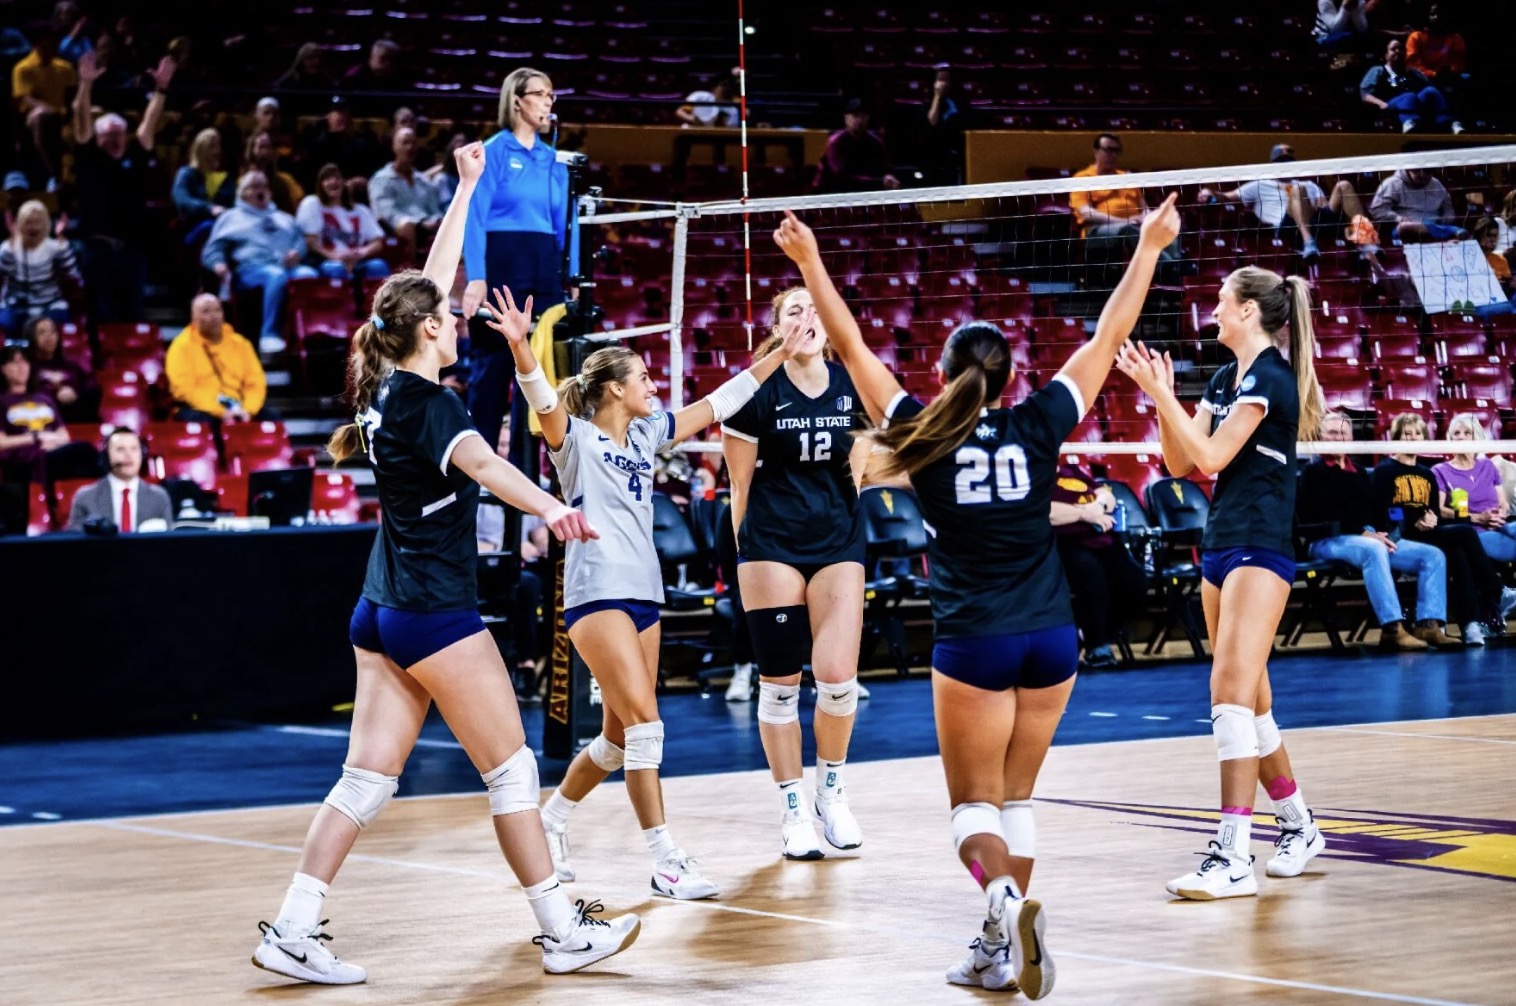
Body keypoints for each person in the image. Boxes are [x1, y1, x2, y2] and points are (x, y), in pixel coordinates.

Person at [249, 141, 638, 986]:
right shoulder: (433, 402)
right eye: (448, 317)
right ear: (428, 330)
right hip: (431, 609)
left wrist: (464, 192)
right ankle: (561, 930)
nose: (457, 320)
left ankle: (292, 927)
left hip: (380, 608)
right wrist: (556, 508)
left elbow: (424, 278)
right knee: (511, 769)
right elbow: (491, 469)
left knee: (363, 782)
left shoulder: (382, 381)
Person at [775, 196, 1181, 998]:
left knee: (972, 809)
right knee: (1017, 798)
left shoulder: (923, 432)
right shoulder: (1037, 423)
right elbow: (1106, 337)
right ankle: (998, 948)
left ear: (943, 374)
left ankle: (1004, 901)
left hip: (976, 641)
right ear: (1010, 377)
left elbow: (850, 344)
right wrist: (1150, 246)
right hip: (1053, 638)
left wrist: (809, 262)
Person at [490, 279, 809, 902]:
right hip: (595, 593)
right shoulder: (576, 440)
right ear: (614, 388)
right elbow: (542, 399)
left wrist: (778, 351)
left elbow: (719, 403)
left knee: (616, 739)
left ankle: (550, 821)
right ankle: (665, 861)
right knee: (647, 728)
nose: (654, 386)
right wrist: (523, 348)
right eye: (643, 379)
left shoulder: (644, 436)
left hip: (643, 593)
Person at [1115, 265, 1328, 902]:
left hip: (1262, 545)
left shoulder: (1271, 377)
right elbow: (1181, 463)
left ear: (1247, 313)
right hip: (1221, 543)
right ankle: (1297, 824)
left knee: (1228, 693)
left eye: (1219, 302)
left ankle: (1233, 853)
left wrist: (1164, 394)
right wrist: (1161, 396)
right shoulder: (1221, 378)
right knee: (1251, 700)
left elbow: (1210, 457)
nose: (1212, 311)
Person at [720, 286, 872, 860]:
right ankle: (791, 810)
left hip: (836, 540)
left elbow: (857, 474)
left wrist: (843, 531)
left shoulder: (853, 385)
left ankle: (831, 794)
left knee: (837, 678)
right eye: (793, 312)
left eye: (815, 310)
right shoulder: (755, 390)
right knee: (781, 685)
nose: (807, 319)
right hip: (770, 544)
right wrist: (746, 554)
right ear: (777, 326)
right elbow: (739, 484)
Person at [459, 67, 568, 468]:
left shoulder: (553, 158)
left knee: (538, 376)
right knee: (491, 377)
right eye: (540, 94)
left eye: (551, 95)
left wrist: (564, 277)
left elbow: (561, 224)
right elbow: (474, 218)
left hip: (543, 270)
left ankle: (529, 476)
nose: (548, 103)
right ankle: (475, 472)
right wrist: (476, 277)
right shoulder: (493, 152)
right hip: (502, 265)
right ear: (517, 100)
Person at [1297, 412, 1458, 649]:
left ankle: (1428, 625)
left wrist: (1384, 532)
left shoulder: (1360, 473)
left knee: (1432, 555)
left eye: (1343, 433)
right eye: (1332, 432)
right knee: (1374, 549)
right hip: (1327, 539)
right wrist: (1365, 534)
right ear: (1320, 435)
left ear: (1351, 438)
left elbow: (1376, 512)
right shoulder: (1313, 471)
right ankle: (1392, 628)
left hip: (1367, 537)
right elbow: (1321, 514)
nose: (1338, 438)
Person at [1375, 413, 1514, 645]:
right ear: (1396, 437)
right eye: (1406, 434)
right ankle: (1498, 591)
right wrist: (1412, 520)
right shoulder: (1386, 470)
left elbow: (1434, 512)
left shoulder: (1426, 473)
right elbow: (1387, 509)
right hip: (1401, 532)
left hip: (1427, 532)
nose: (1412, 439)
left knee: (1458, 551)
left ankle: (1465, 625)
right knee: (1466, 533)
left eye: (1417, 434)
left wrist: (1430, 518)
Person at [71, 49, 174, 326]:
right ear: (99, 137)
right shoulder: (90, 158)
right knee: (102, 312)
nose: (116, 140)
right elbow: (80, 119)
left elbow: (149, 124)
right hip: (97, 247)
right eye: (109, 136)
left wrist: (161, 90)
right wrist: (85, 85)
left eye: (120, 135)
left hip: (132, 248)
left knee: (133, 311)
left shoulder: (134, 155)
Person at [1048, 462, 1149, 668]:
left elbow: (1107, 496)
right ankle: (1097, 646)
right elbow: (1044, 511)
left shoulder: (1072, 471)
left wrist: (1098, 506)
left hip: (1103, 538)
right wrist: (1085, 514)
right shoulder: (1033, 473)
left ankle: (1095, 633)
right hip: (1065, 543)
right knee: (1091, 577)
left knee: (1136, 583)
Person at [1197, 145, 1370, 261]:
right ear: (1272, 164)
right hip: (1287, 227)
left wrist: (1320, 202)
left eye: (1288, 162)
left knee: (1344, 185)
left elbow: (1323, 206)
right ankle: (1308, 243)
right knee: (1297, 191)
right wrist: (1210, 191)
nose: (1285, 165)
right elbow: (1227, 197)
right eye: (1281, 162)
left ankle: (1366, 239)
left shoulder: (1308, 184)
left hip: (1316, 220)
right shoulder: (1259, 184)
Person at [201, 171, 310, 354]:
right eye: (255, 187)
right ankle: (269, 335)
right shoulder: (231, 217)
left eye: (264, 186)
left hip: (286, 266)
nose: (261, 191)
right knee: (276, 276)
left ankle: (305, 332)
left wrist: (297, 252)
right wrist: (218, 264)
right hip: (250, 270)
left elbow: (301, 240)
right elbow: (212, 249)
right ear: (243, 192)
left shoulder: (283, 217)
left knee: (308, 275)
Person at [0, 344, 95, 533]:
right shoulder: (2, 401)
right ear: (2, 369)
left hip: (54, 453)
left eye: (25, 361)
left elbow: (64, 436)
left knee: (83, 454)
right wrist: (37, 438)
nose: (22, 367)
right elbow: (2, 442)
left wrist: (49, 441)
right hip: (23, 462)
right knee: (85, 451)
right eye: (14, 362)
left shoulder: (43, 398)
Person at [1069, 133, 1181, 267]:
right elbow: (1086, 213)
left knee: (1165, 227)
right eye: (1108, 150)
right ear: (1096, 151)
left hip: (1134, 226)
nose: (1113, 155)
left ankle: (1175, 264)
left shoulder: (1126, 177)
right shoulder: (1082, 178)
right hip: (1097, 231)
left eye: (1116, 151)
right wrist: (1125, 221)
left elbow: (1144, 207)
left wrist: (1148, 219)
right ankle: (1169, 266)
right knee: (1128, 230)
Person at [165, 294, 271, 422]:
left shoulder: (241, 344)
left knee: (271, 419)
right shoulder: (181, 347)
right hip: (201, 408)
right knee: (203, 422)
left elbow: (256, 383)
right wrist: (220, 412)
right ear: (194, 317)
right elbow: (184, 391)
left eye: (218, 310)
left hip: (239, 406)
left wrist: (248, 410)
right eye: (206, 311)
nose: (214, 316)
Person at [1434, 413, 1516, 565]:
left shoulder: (1488, 465)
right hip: (1472, 530)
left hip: (1500, 525)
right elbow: (1439, 510)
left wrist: (1500, 515)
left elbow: (1503, 503)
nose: (1461, 437)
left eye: (1467, 433)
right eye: (1456, 433)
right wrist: (1478, 518)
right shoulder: (1440, 470)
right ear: (1450, 439)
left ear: (1476, 437)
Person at [66, 426, 171, 532]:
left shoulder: (159, 497)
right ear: (107, 455)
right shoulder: (85, 497)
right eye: (120, 449)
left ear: (142, 455)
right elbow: (75, 542)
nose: (128, 455)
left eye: (134, 449)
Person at [296, 163, 389, 282]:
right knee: (337, 269)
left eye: (337, 178)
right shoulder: (312, 204)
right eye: (327, 178)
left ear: (345, 183)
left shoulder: (360, 210)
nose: (333, 182)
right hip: (326, 261)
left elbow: (377, 242)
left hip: (357, 260)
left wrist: (361, 253)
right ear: (320, 184)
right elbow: (311, 243)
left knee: (379, 266)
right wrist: (335, 257)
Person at [0, 199, 81, 334]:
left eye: (37, 222)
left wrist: (60, 239)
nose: (33, 227)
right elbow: (1, 274)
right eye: (28, 223)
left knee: (52, 326)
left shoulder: (55, 247)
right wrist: (12, 243)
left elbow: (72, 275)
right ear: (20, 224)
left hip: (50, 304)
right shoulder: (7, 248)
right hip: (15, 306)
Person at [10, 27, 75, 188]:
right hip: (33, 117)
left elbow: (73, 95)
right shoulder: (22, 68)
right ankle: (53, 174)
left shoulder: (65, 68)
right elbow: (26, 98)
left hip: (62, 115)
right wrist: (50, 110)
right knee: (41, 116)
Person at [369, 126, 443, 258]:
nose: (410, 147)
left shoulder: (424, 181)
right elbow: (387, 214)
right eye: (405, 143)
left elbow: (435, 210)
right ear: (394, 147)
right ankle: (412, 272)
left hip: (427, 226)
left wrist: (436, 220)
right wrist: (418, 223)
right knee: (406, 225)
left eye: (413, 143)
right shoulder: (381, 179)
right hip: (399, 229)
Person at [1359, 38, 1460, 134]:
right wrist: (1381, 104)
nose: (1398, 51)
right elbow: (1365, 94)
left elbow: (1428, 86)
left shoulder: (1412, 72)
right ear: (1386, 54)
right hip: (1390, 104)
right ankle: (1410, 124)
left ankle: (1450, 123)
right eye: (1393, 49)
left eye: (1401, 49)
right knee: (1409, 96)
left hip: (1414, 102)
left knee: (1431, 91)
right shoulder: (1378, 70)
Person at [812, 98, 900, 194]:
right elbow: (841, 177)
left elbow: (885, 167)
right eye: (855, 116)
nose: (860, 120)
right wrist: (877, 182)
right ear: (846, 118)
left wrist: (889, 177)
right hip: (830, 191)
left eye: (863, 116)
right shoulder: (836, 142)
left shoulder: (876, 142)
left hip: (865, 191)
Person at [171, 127, 235, 245]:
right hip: (193, 227)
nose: (217, 151)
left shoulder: (224, 178)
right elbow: (182, 199)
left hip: (223, 225)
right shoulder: (186, 173)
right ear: (200, 150)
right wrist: (209, 208)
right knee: (210, 228)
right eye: (212, 146)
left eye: (218, 146)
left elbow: (232, 204)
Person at [24, 316, 95, 422]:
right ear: (31, 337)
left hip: (75, 417)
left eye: (53, 332)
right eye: (42, 332)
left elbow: (92, 390)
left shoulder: (72, 366)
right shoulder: (25, 368)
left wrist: (75, 393)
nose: (49, 337)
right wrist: (54, 396)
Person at [1369, 168, 1464, 244]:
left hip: (1434, 222)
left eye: (1427, 177)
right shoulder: (1392, 183)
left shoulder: (1436, 183)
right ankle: (1451, 231)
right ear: (1409, 171)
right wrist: (1397, 218)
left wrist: (1446, 219)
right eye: (1419, 178)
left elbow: (1447, 206)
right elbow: (1377, 210)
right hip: (1406, 227)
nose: (1424, 181)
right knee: (1405, 227)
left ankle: (1444, 230)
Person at [243, 130, 305, 215]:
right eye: (261, 147)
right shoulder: (242, 182)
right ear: (252, 150)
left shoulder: (284, 181)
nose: (264, 152)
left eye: (268, 147)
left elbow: (296, 209)